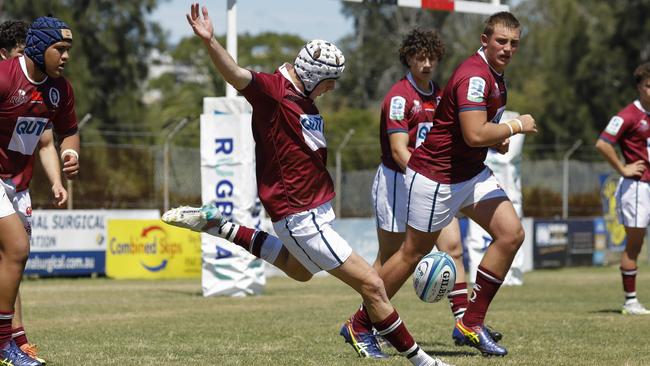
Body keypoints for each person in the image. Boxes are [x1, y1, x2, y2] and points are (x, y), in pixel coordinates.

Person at [162, 4, 451, 366]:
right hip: (299, 217)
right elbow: (236, 74)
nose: (332, 87)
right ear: (315, 76)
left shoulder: (305, 99)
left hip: (315, 212)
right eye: (331, 80)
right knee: (373, 285)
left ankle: (220, 225)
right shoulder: (274, 92)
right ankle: (422, 361)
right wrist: (210, 42)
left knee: (299, 271)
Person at [344, 12, 537, 358]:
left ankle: (470, 323)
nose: (508, 49)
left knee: (511, 234)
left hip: (469, 173)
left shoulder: (496, 77)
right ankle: (360, 323)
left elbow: (475, 134)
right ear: (484, 40)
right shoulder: (475, 77)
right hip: (438, 177)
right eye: (501, 42)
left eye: (514, 43)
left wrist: (497, 139)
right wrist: (515, 126)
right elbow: (475, 132)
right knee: (408, 254)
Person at [0, 16, 81, 366]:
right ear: (37, 47)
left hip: (18, 184)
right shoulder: (4, 76)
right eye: (59, 49)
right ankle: (6, 345)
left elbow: (68, 131)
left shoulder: (59, 90)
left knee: (12, 262)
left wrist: (70, 153)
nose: (65, 56)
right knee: (17, 250)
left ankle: (12, 340)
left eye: (67, 50)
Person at [595, 62, 650, 315]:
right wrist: (623, 168)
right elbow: (603, 144)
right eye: (649, 86)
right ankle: (630, 300)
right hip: (637, 188)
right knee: (634, 245)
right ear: (639, 87)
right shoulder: (627, 115)